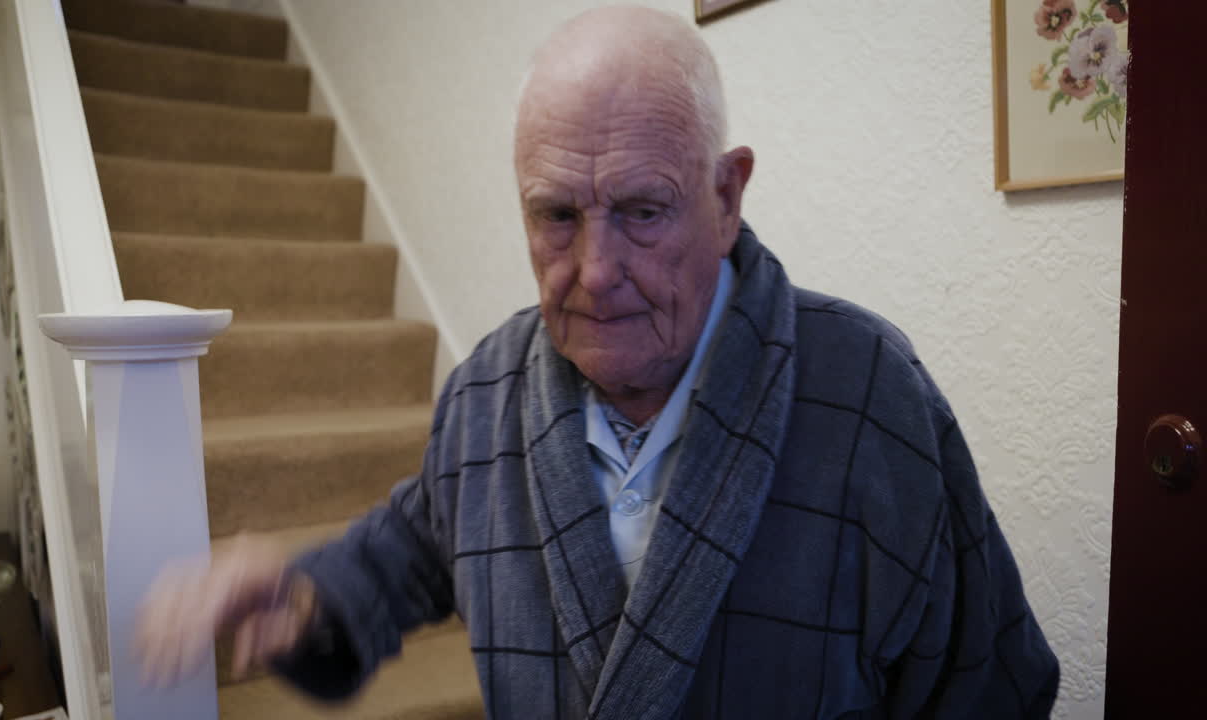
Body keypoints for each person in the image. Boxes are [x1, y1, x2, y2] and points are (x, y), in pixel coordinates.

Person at [137, 6, 1059, 717]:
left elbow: (989, 684)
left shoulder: (871, 395)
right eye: (556, 216)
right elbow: (413, 552)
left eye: (644, 211)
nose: (596, 272)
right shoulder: (487, 393)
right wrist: (303, 600)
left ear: (726, 192)